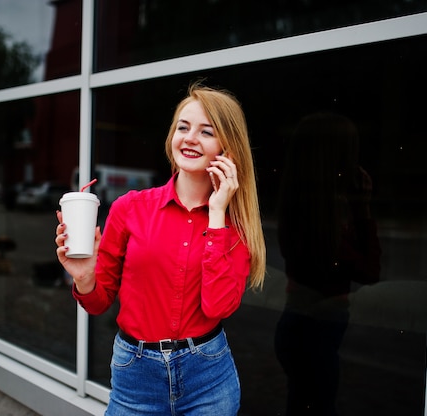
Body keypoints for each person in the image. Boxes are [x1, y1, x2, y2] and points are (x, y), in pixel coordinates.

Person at [55, 80, 266, 415]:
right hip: (134, 378)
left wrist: (216, 214)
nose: (190, 138)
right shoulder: (129, 208)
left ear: (228, 150)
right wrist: (84, 278)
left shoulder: (235, 229)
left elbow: (218, 307)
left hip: (208, 381)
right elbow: (98, 303)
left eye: (206, 132)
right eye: (183, 127)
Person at [274, 112, 381, 415]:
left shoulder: (303, 209)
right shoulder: (319, 222)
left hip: (303, 332)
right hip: (313, 336)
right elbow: (370, 272)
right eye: (349, 153)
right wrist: (362, 210)